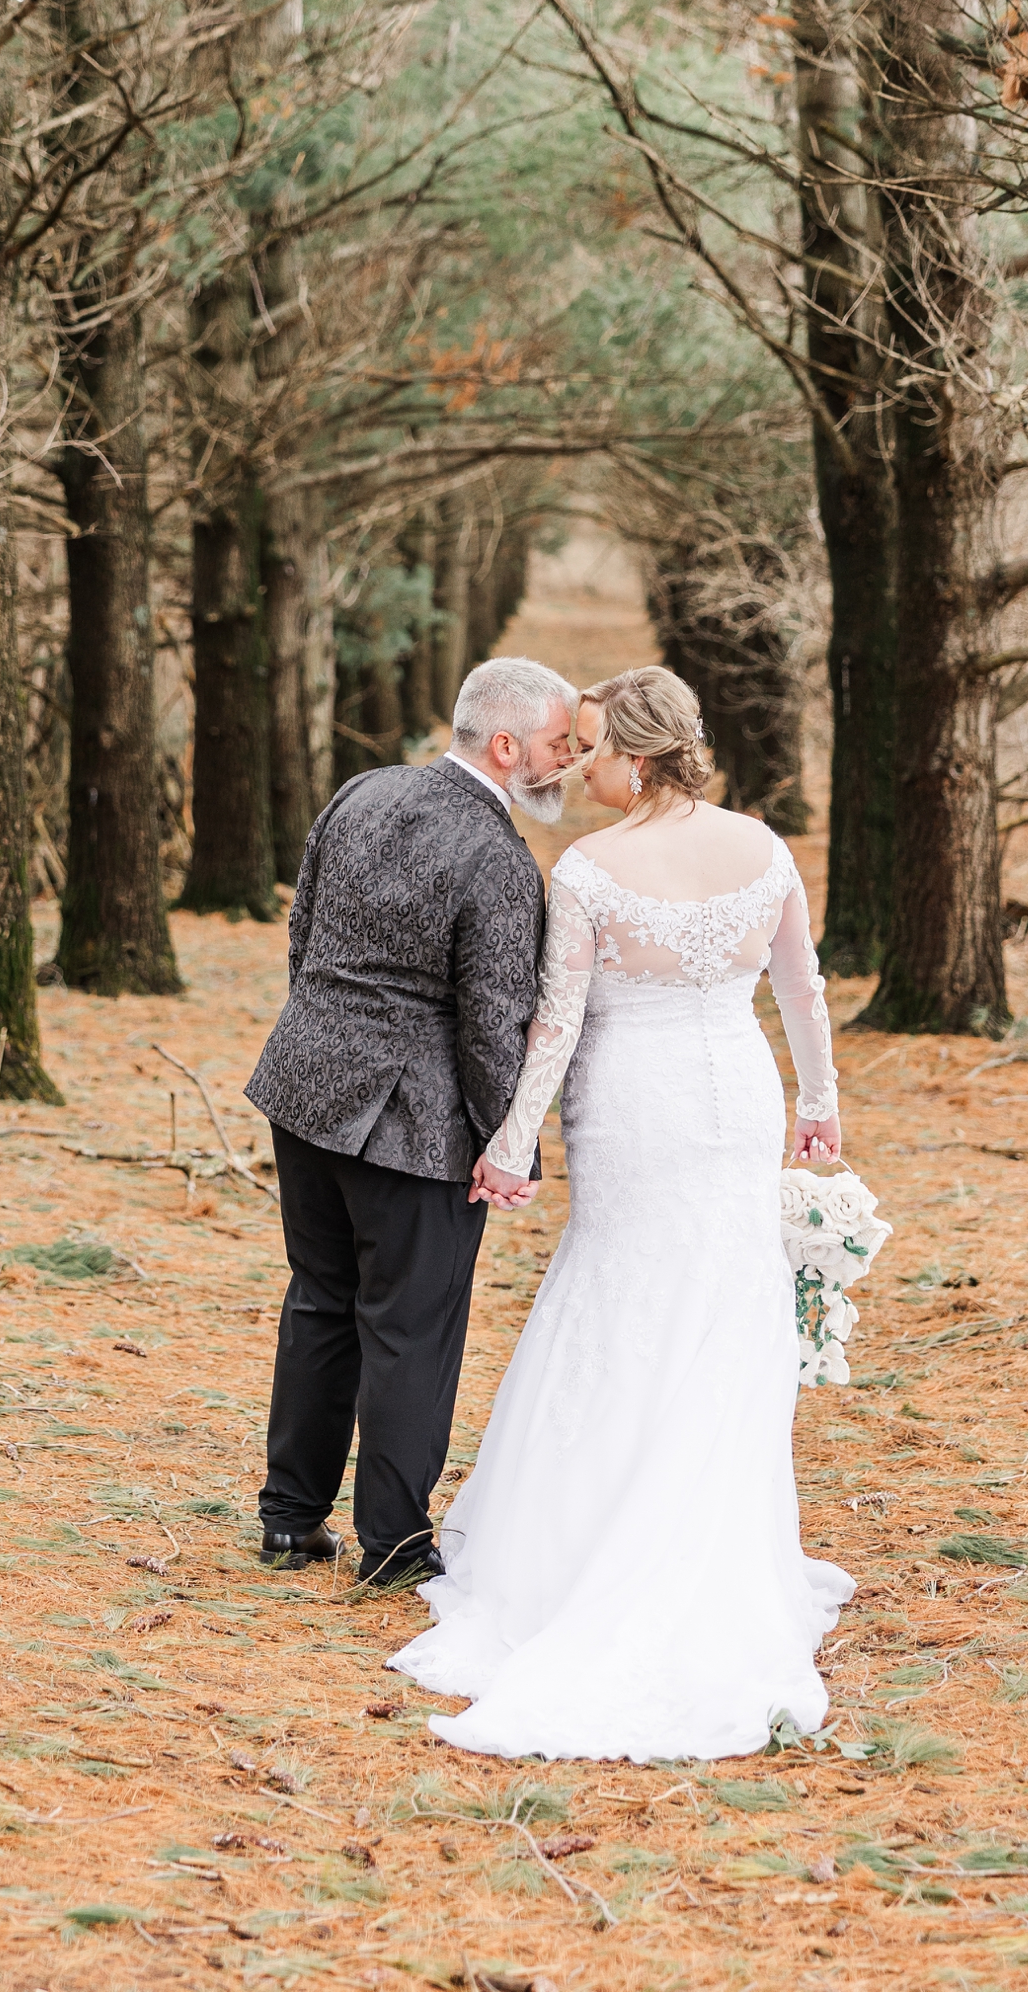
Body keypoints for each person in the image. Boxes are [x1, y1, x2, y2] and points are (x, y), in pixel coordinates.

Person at [388, 664, 849, 1758]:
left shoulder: (590, 870)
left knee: (620, 1299)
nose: (578, 765)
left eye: (591, 749)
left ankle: (588, 1551)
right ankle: (711, 1541)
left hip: (635, 1105)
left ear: (635, 760)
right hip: (736, 1092)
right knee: (718, 1303)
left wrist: (508, 1147)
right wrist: (819, 1109)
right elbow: (802, 990)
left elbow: (553, 1026)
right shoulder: (763, 849)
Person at [245, 656, 576, 1588]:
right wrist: (508, 1143)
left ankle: (288, 1519)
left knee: (319, 1303)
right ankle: (393, 1546)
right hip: (414, 1128)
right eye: (556, 746)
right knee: (409, 1331)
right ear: (505, 746)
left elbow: (303, 937)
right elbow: (493, 1022)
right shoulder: (501, 859)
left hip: (304, 1089)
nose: (564, 765)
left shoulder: (363, 791)